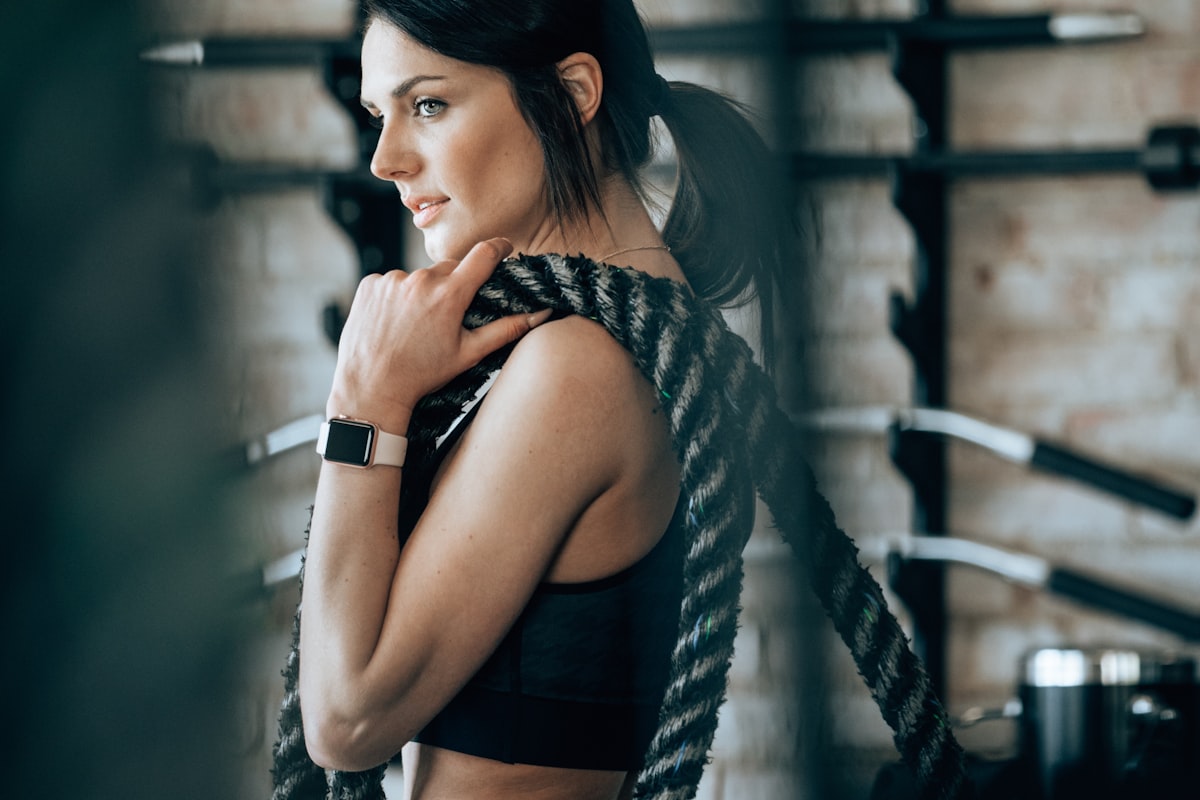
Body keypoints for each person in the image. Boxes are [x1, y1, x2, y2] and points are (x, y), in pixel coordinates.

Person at [278, 1, 795, 798]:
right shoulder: (627, 327)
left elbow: (346, 723)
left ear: (573, 91)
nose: (385, 158)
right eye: (380, 114)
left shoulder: (581, 365)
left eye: (428, 105)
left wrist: (362, 401)